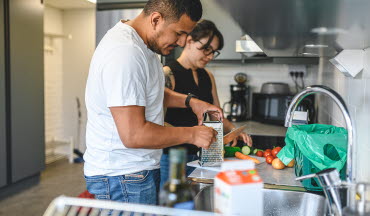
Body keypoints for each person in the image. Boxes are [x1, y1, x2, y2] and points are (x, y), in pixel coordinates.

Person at [84, 0, 224, 205]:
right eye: (179, 33)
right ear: (156, 19)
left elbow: (149, 93)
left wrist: (190, 102)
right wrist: (193, 134)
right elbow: (134, 134)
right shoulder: (125, 53)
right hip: (121, 177)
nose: (183, 42)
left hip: (135, 173)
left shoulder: (145, 47)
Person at [160, 20, 253, 187]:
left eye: (214, 52)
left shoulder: (207, 76)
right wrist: (191, 134)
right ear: (189, 41)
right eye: (207, 49)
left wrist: (233, 130)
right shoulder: (169, 73)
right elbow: (158, 122)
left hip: (206, 155)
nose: (210, 56)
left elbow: (216, 114)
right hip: (174, 157)